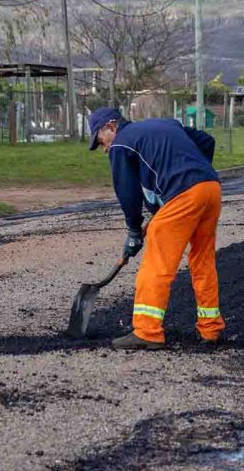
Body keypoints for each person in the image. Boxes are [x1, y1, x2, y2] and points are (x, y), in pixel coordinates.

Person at [87, 107, 225, 350]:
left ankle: (147, 331)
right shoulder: (166, 123)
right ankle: (210, 328)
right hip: (210, 188)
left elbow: (128, 194)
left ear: (111, 127)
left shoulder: (121, 145)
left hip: (183, 195)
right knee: (202, 259)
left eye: (100, 141)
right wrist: (196, 177)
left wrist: (133, 230)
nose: (104, 148)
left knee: (157, 261)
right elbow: (207, 141)